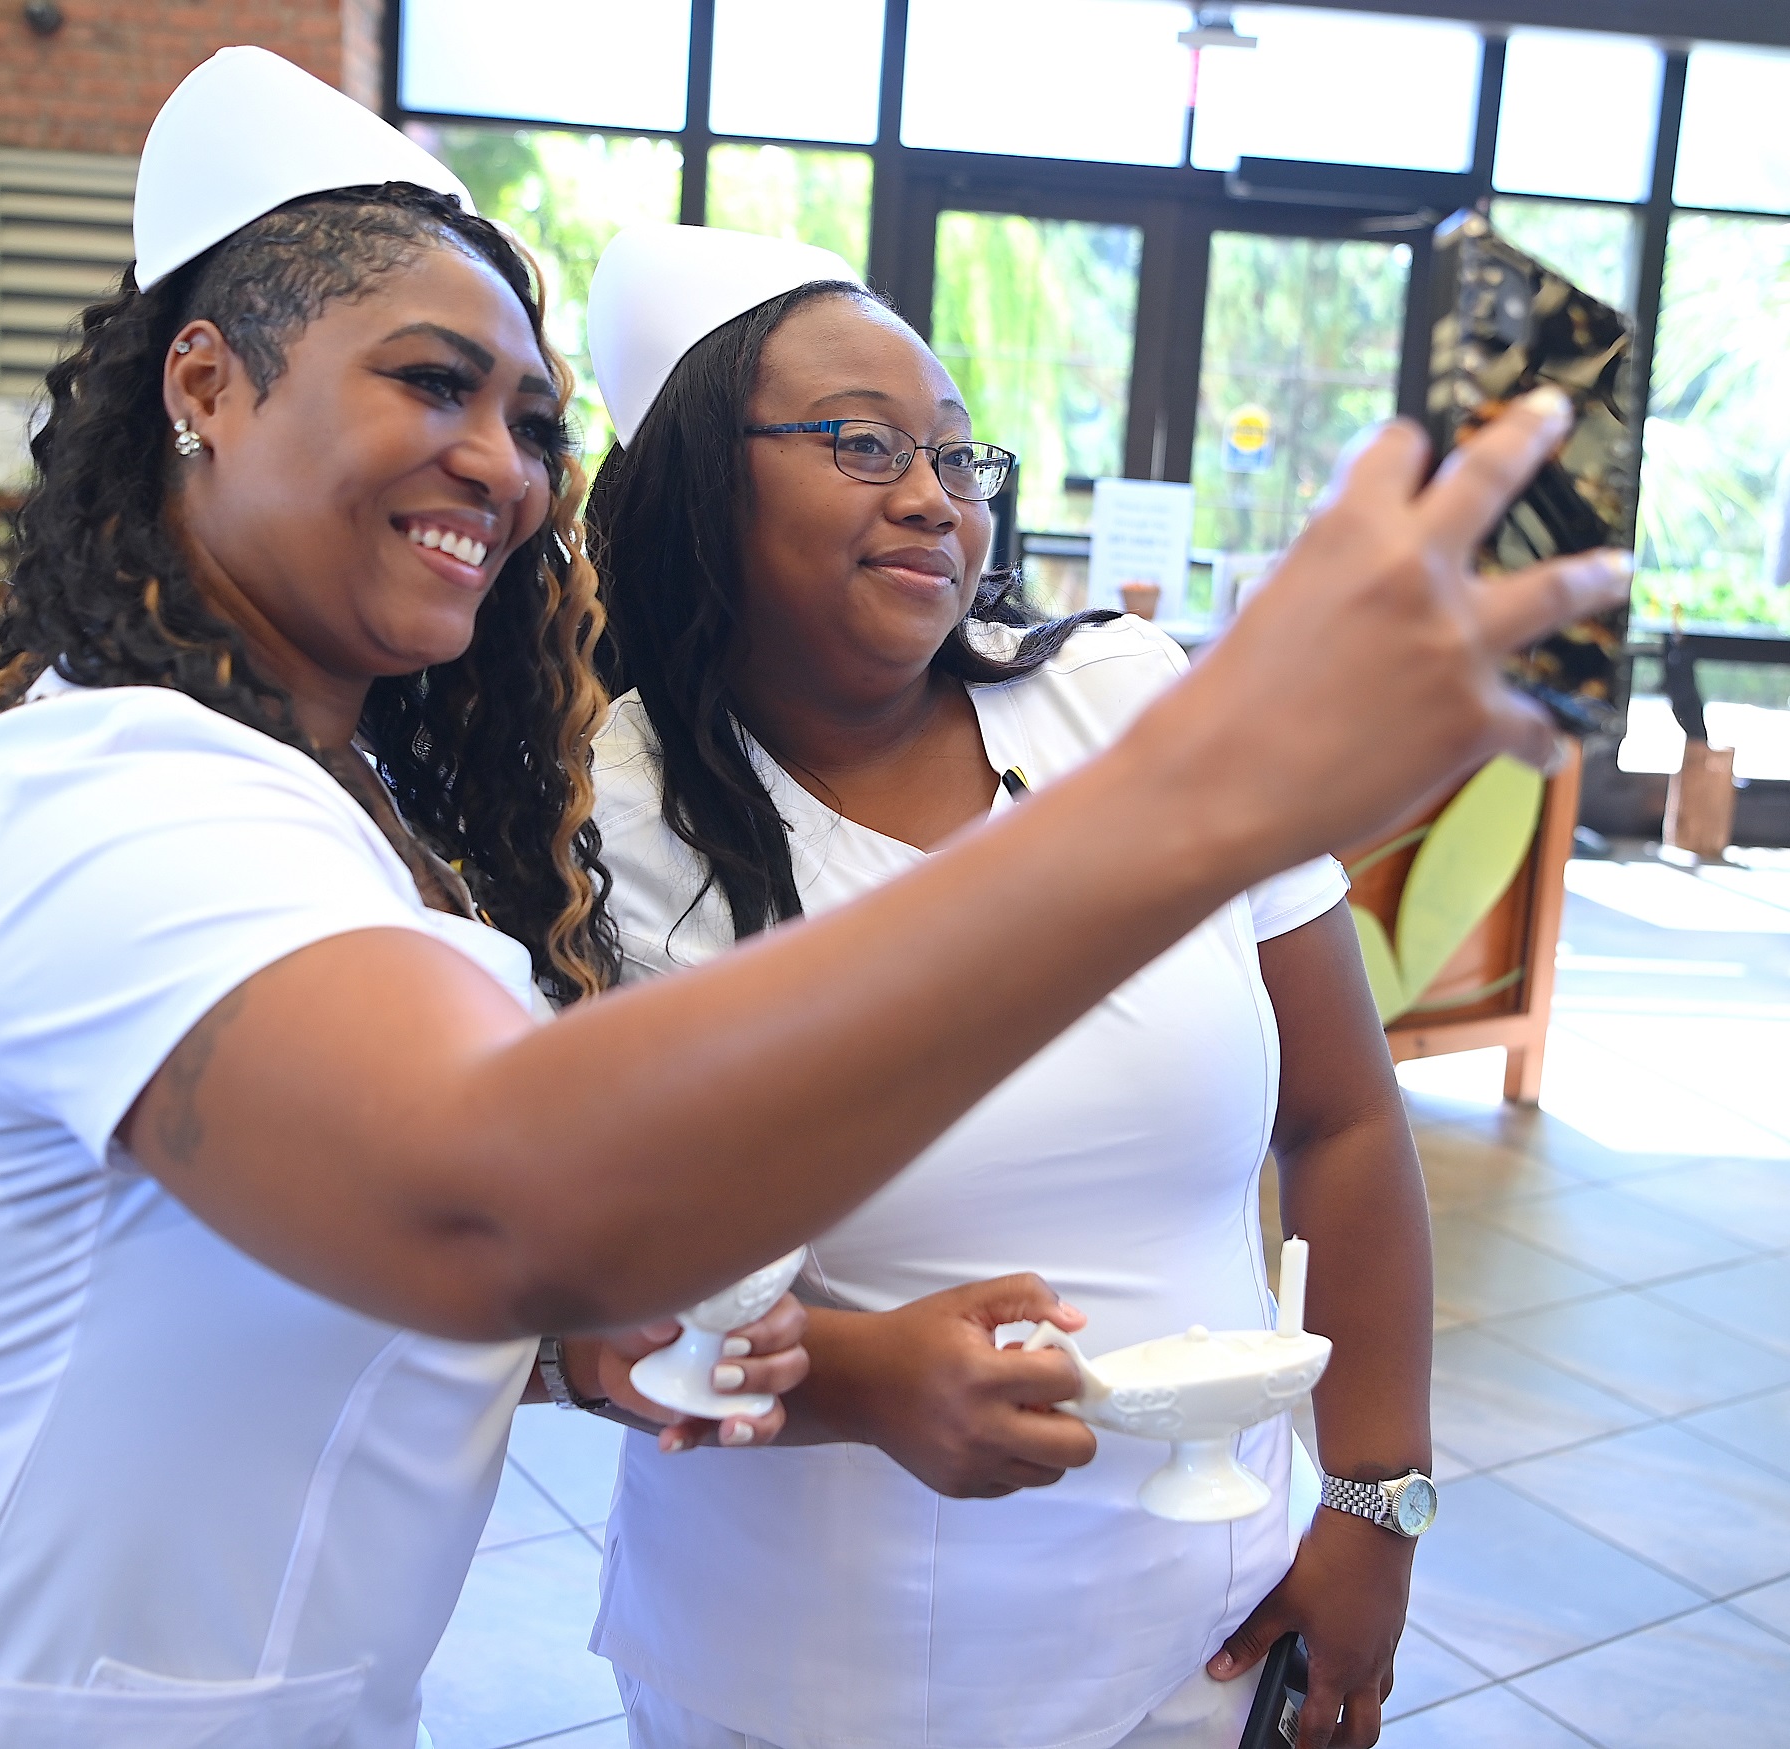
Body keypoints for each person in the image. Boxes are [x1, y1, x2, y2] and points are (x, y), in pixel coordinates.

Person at [0, 44, 1626, 1749]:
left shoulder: (358, 808)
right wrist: (1205, 803)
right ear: (205, 383)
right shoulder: (123, 804)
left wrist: (633, 1340)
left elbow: (498, 1257)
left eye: (535, 419)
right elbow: (495, 1195)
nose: (498, 456)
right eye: (431, 380)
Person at [580, 223, 1442, 1749]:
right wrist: (869, 1374)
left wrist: (1374, 1499)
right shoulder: (615, 812)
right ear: (702, 484)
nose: (933, 495)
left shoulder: (1126, 698)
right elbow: (597, 1299)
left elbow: (1347, 1116)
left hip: (1207, 1631)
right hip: (816, 1676)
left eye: (958, 455)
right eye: (862, 444)